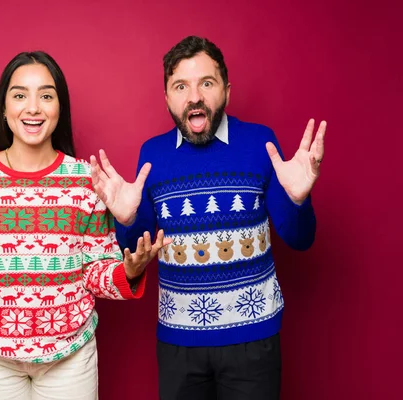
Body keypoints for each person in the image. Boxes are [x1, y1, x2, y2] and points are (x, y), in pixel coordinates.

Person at [0, 51, 168, 400]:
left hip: (70, 355)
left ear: (60, 108)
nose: (33, 107)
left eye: (47, 95)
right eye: (20, 95)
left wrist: (127, 271)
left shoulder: (87, 180)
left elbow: (96, 272)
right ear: (4, 107)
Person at [90, 36, 327, 400]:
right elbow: (137, 248)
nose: (194, 97)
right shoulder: (153, 155)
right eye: (181, 86)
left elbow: (300, 238)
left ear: (226, 92)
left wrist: (298, 199)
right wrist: (128, 218)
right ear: (168, 98)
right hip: (178, 343)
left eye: (207, 83)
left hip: (254, 337)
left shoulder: (261, 144)